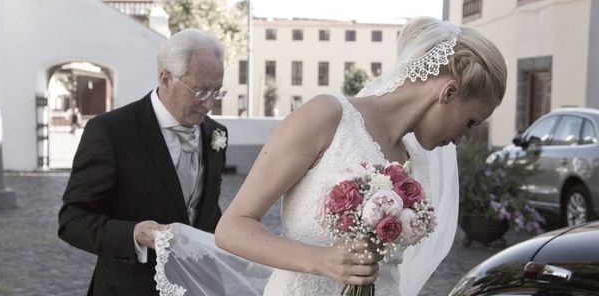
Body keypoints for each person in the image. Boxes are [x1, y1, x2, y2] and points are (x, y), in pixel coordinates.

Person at [207, 16, 507, 296]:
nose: (459, 139)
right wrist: (321, 260)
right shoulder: (327, 117)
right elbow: (232, 228)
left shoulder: (416, 160)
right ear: (449, 93)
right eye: (469, 123)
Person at [58, 28, 228, 296]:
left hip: (200, 286)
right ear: (166, 78)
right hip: (129, 287)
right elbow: (72, 220)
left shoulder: (216, 134)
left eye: (217, 92)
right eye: (199, 91)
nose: (209, 104)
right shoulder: (111, 131)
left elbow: (204, 211)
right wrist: (134, 234)